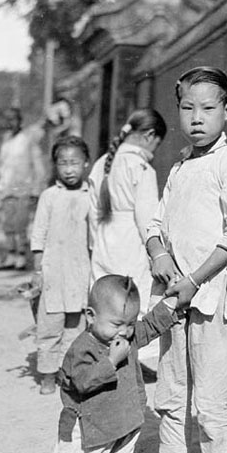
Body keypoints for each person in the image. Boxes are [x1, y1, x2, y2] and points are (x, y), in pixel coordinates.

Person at [128, 66, 227, 453]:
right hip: (172, 301)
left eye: (208, 108)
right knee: (171, 393)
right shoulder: (179, 166)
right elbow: (156, 222)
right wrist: (159, 254)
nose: (197, 118)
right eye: (187, 107)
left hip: (211, 301)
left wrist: (195, 280)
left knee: (212, 400)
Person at [35, 275, 184, 453]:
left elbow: (150, 325)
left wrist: (171, 306)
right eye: (116, 324)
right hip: (89, 428)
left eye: (129, 324)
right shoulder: (82, 348)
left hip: (124, 423)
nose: (124, 332)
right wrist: (111, 362)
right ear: (91, 316)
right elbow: (81, 382)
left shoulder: (127, 335)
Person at [87, 108, 168, 316]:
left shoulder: (101, 163)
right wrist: (156, 252)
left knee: (103, 305)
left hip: (103, 243)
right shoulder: (141, 167)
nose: (154, 151)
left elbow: (92, 213)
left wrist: (95, 246)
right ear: (149, 135)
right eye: (157, 145)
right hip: (131, 245)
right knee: (133, 306)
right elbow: (146, 220)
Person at [30, 135, 92, 395]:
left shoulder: (92, 195)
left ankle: (69, 375)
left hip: (80, 271)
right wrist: (37, 271)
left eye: (75, 163)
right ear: (56, 166)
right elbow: (39, 234)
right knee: (49, 324)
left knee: (75, 327)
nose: (69, 169)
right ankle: (47, 374)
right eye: (63, 163)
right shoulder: (49, 196)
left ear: (86, 164)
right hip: (53, 271)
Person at [0, 107, 47, 271]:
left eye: (14, 119)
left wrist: (36, 189)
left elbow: (38, 166)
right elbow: (3, 166)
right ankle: (10, 255)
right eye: (8, 120)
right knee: (8, 225)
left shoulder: (27, 140)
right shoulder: (6, 141)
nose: (11, 123)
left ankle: (21, 257)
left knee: (21, 225)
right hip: (7, 188)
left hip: (23, 188)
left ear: (20, 121)